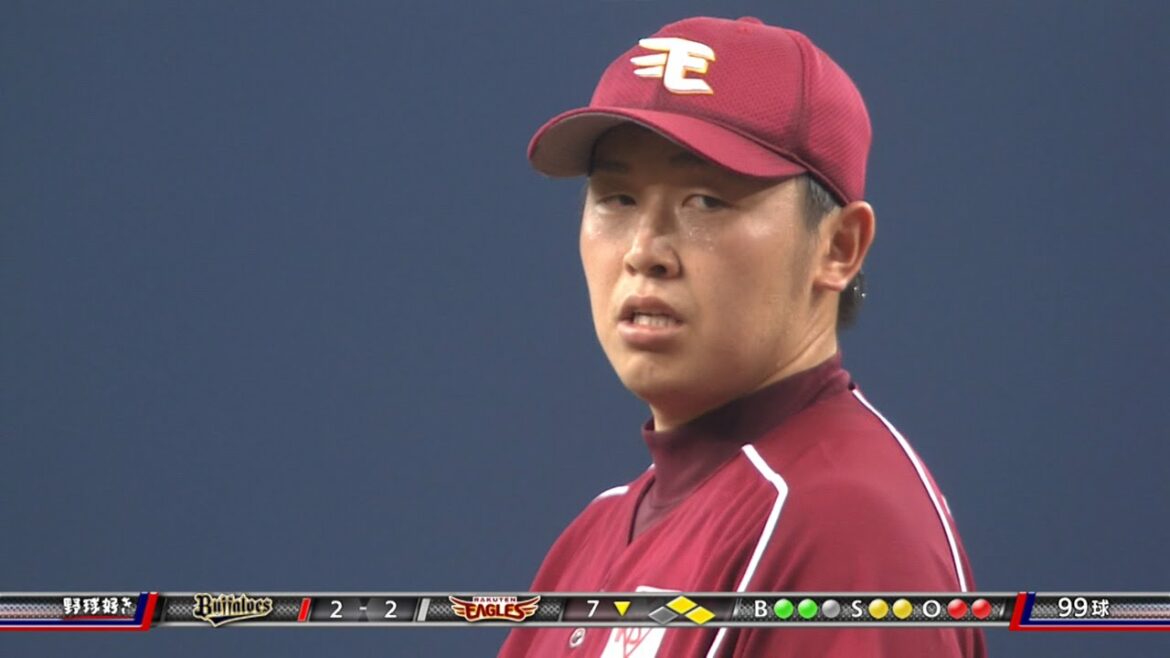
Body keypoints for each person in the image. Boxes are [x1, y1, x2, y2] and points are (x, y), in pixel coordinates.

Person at [499, 15, 985, 658]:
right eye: (617, 199)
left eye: (706, 200)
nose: (644, 251)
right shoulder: (591, 538)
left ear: (839, 247)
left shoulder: (842, 523)